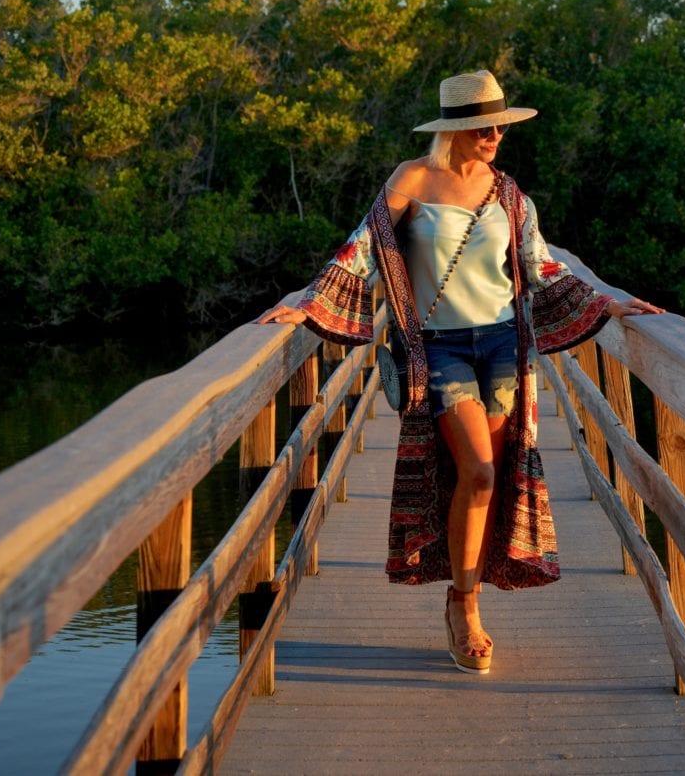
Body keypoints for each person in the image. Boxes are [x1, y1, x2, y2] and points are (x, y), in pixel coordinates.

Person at [257, 70, 663, 675]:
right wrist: (311, 301)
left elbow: (540, 265)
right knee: (476, 470)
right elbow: (363, 247)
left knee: (492, 476)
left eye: (500, 124)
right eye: (484, 126)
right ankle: (463, 607)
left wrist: (605, 301)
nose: (495, 134)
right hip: (439, 348)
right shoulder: (412, 179)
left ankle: (464, 601)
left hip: (503, 343)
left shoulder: (507, 192)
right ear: (456, 129)